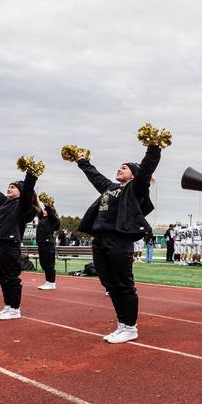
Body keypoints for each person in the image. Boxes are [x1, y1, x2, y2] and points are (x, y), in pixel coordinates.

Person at [74, 142, 162, 344]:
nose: (119, 168)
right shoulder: (110, 187)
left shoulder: (135, 189)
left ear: (133, 175)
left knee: (123, 284)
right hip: (100, 239)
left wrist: (154, 147)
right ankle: (122, 324)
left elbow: (147, 168)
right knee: (110, 284)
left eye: (124, 167)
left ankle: (131, 327)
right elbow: (94, 176)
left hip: (119, 239)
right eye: (119, 166)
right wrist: (82, 161)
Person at [0, 169, 39, 320]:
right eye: (8, 186)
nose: (9, 189)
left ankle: (15, 309)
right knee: (1, 277)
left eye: (13, 187)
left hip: (10, 244)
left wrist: (31, 173)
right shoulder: (5, 203)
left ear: (21, 192)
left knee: (11, 277)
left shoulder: (23, 205)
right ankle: (8, 306)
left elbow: (28, 189)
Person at [36, 197, 61, 290]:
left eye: (45, 210)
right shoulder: (42, 218)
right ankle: (48, 281)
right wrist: (32, 197)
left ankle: (52, 283)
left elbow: (51, 212)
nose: (44, 211)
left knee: (49, 264)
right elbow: (36, 208)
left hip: (48, 244)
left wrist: (47, 203)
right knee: (44, 264)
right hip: (41, 244)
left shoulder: (52, 220)